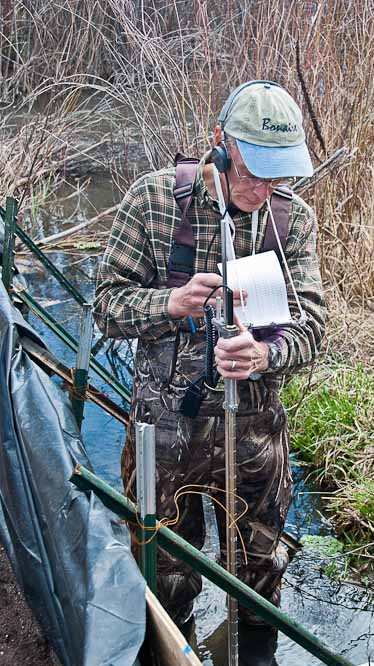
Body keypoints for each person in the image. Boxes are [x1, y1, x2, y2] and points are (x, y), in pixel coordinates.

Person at [93, 80, 326, 628]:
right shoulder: (153, 202)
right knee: (166, 578)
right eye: (252, 172)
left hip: (255, 439)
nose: (264, 188)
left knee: (260, 580)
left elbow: (312, 325)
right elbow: (105, 306)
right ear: (219, 141)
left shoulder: (291, 221)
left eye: (279, 175)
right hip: (164, 436)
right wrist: (170, 302)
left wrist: (265, 356)